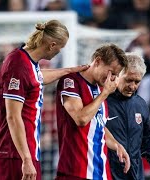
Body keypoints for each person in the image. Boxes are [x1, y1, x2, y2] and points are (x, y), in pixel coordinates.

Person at [0, 20, 89, 180]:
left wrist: (69, 71)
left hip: (23, 151)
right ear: (51, 45)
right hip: (13, 153)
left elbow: (36, 78)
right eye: (60, 48)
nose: (59, 52)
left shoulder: (27, 61)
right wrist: (26, 159)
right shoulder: (17, 65)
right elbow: (13, 116)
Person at [55, 44, 130, 179]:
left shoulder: (101, 89)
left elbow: (98, 125)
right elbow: (81, 119)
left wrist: (117, 145)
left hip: (101, 172)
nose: (112, 78)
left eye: (116, 75)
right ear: (98, 61)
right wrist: (105, 94)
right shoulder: (71, 81)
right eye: (111, 72)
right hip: (76, 171)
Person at [105, 53, 150, 180]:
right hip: (107, 174)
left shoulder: (141, 104)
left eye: (137, 82)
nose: (132, 86)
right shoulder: (101, 101)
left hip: (135, 175)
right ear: (118, 74)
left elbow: (147, 141)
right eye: (128, 80)